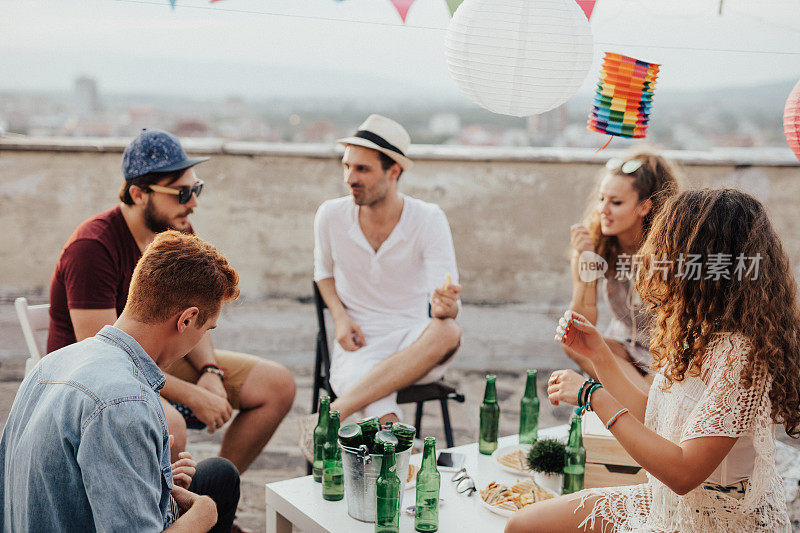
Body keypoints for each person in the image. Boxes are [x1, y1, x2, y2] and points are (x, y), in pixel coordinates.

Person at [507, 188, 799, 532]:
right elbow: (654, 417)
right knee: (523, 524)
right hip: (669, 502)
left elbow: (683, 473)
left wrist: (591, 396)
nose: (655, 256)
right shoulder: (698, 330)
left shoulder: (742, 354)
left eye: (668, 245)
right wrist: (598, 354)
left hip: (716, 519)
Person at [45, 129, 295, 471]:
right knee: (172, 424)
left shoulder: (178, 232)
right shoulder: (92, 247)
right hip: (92, 375)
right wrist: (192, 395)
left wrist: (210, 371)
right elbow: (100, 352)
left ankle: (213, 498)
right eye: (182, 192)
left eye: (196, 188)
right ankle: (171, 518)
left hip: (158, 354)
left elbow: (199, 312)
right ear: (138, 193)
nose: (193, 202)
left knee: (277, 385)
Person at [1, 231, 243, 532]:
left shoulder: (49, 365)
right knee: (213, 496)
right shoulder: (125, 402)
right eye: (206, 328)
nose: (202, 339)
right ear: (186, 320)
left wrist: (159, 479)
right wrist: (203, 513)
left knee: (219, 474)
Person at [300, 114, 462, 459]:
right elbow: (323, 273)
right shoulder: (330, 215)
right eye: (347, 167)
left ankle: (334, 414)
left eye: (362, 169)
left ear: (394, 172)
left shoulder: (428, 218)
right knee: (375, 396)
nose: (350, 178)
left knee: (448, 332)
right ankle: (400, 450)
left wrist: (446, 307)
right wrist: (341, 318)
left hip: (413, 339)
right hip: (359, 341)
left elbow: (444, 299)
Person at [565, 150, 680, 393]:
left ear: (644, 206)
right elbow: (580, 322)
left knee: (654, 390)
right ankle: (639, 401)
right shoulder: (598, 245)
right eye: (601, 199)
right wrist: (585, 262)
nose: (603, 210)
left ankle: (637, 402)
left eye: (615, 202)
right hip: (625, 346)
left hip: (668, 354)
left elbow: (681, 332)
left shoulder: (670, 253)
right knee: (573, 342)